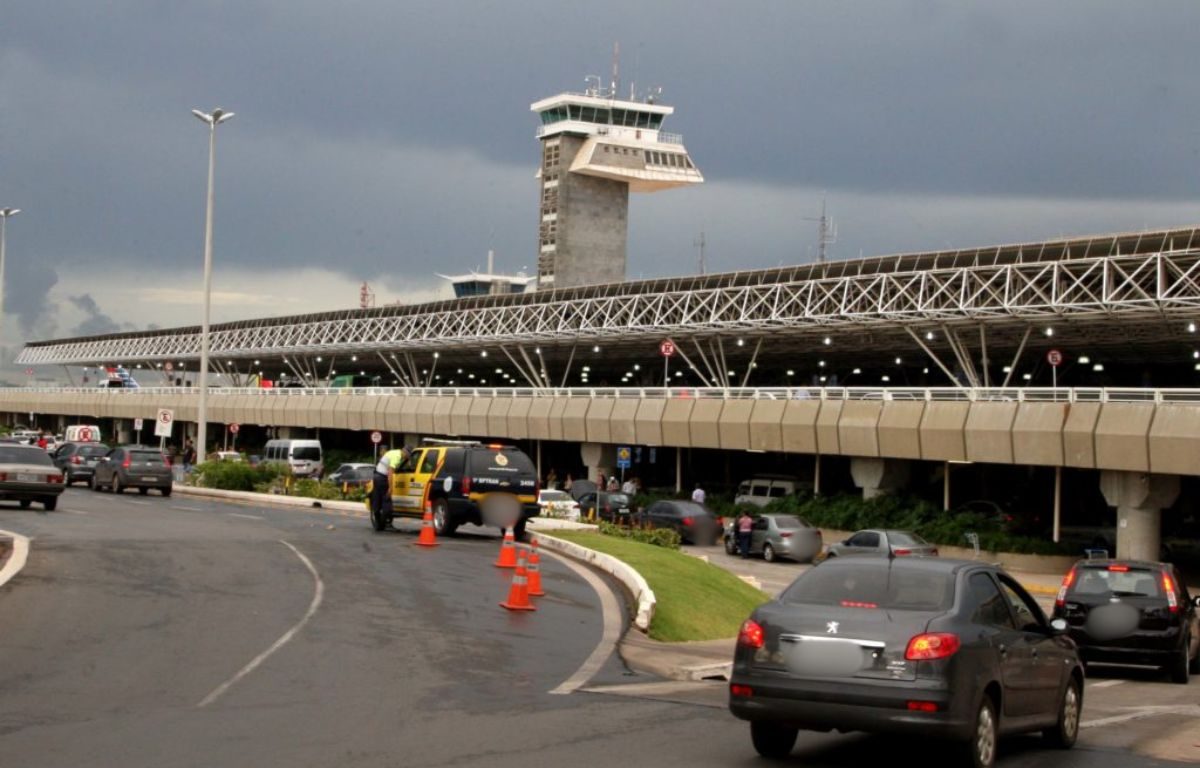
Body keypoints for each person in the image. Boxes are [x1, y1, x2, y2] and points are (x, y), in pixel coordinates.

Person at [370, 445, 411, 528]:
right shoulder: (397, 456)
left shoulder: (393, 452)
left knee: (377, 499)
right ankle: (381, 524)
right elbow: (390, 472)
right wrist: (390, 487)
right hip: (382, 478)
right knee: (387, 504)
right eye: (408, 456)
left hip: (376, 476)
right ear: (406, 453)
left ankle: (377, 522)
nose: (407, 458)